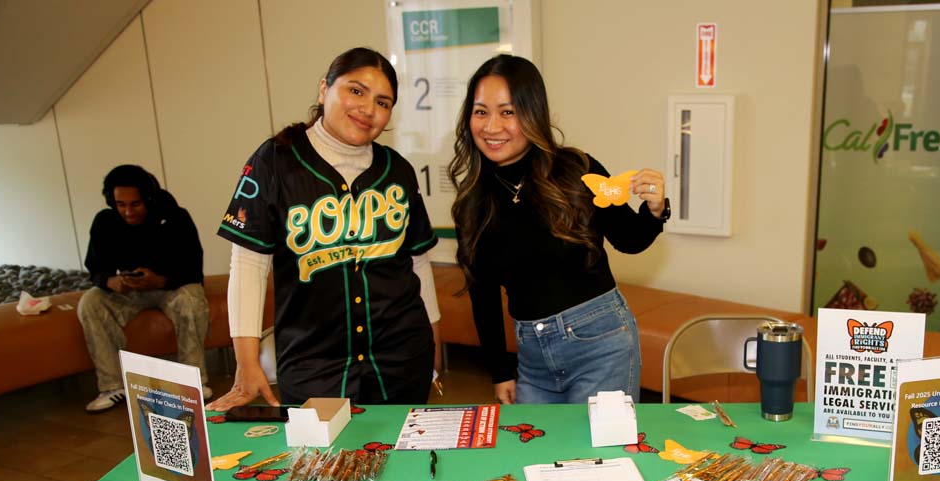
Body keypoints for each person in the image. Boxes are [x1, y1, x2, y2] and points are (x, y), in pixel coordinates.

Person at [209, 47, 440, 411]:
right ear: (323, 90)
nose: (367, 109)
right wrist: (246, 362)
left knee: (404, 459)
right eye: (356, 90)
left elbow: (417, 262)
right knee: (324, 466)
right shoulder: (274, 162)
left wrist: (435, 343)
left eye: (383, 102)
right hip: (314, 365)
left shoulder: (397, 169)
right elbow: (249, 264)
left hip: (402, 358)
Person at [448, 54, 670, 405]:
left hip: (602, 346)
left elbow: (630, 239)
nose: (491, 127)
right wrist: (500, 370)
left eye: (508, 112)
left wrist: (655, 210)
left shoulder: (575, 169)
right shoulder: (473, 201)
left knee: (598, 457)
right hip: (533, 361)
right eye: (480, 111)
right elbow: (483, 293)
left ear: (532, 112)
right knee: (536, 456)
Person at [78, 165, 209, 413]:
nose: (128, 212)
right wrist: (110, 281)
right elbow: (94, 268)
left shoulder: (175, 217)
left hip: (171, 288)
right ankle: (112, 386)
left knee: (192, 298)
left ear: (148, 199)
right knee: (91, 301)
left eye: (135, 204)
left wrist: (160, 281)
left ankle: (194, 382)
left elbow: (193, 269)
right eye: (120, 204)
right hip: (129, 292)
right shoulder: (104, 222)